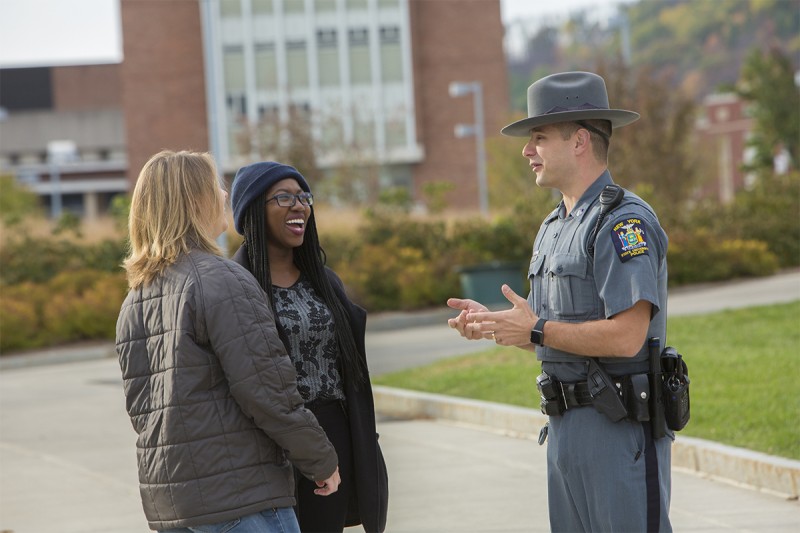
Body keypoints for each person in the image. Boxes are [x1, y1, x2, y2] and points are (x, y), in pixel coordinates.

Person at [447, 72, 672, 532]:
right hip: (564, 431)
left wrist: (534, 330)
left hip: (617, 431)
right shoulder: (553, 226)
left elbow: (628, 337)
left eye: (539, 138)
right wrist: (499, 325)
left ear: (580, 141)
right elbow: (550, 334)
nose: (528, 151)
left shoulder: (622, 224)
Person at [116, 150, 341, 533]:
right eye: (215, 186)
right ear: (194, 200)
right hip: (241, 503)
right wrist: (320, 459)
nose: (224, 195)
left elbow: (142, 412)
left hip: (175, 506)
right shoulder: (222, 280)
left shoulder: (136, 298)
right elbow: (268, 390)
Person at [229, 161, 389, 533]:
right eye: (283, 197)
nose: (299, 206)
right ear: (253, 209)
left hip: (332, 434)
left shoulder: (325, 282)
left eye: (304, 197)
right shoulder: (236, 285)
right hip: (268, 443)